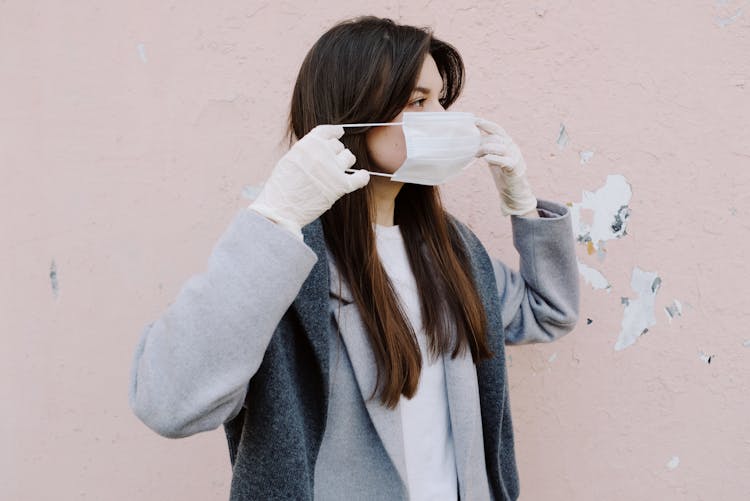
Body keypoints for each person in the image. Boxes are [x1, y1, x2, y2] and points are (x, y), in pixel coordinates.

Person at [128, 15, 579, 501]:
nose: (443, 117)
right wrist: (275, 218)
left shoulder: (453, 250)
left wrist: (524, 207)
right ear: (354, 112)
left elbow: (548, 310)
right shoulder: (285, 262)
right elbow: (169, 402)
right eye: (418, 101)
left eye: (443, 100)